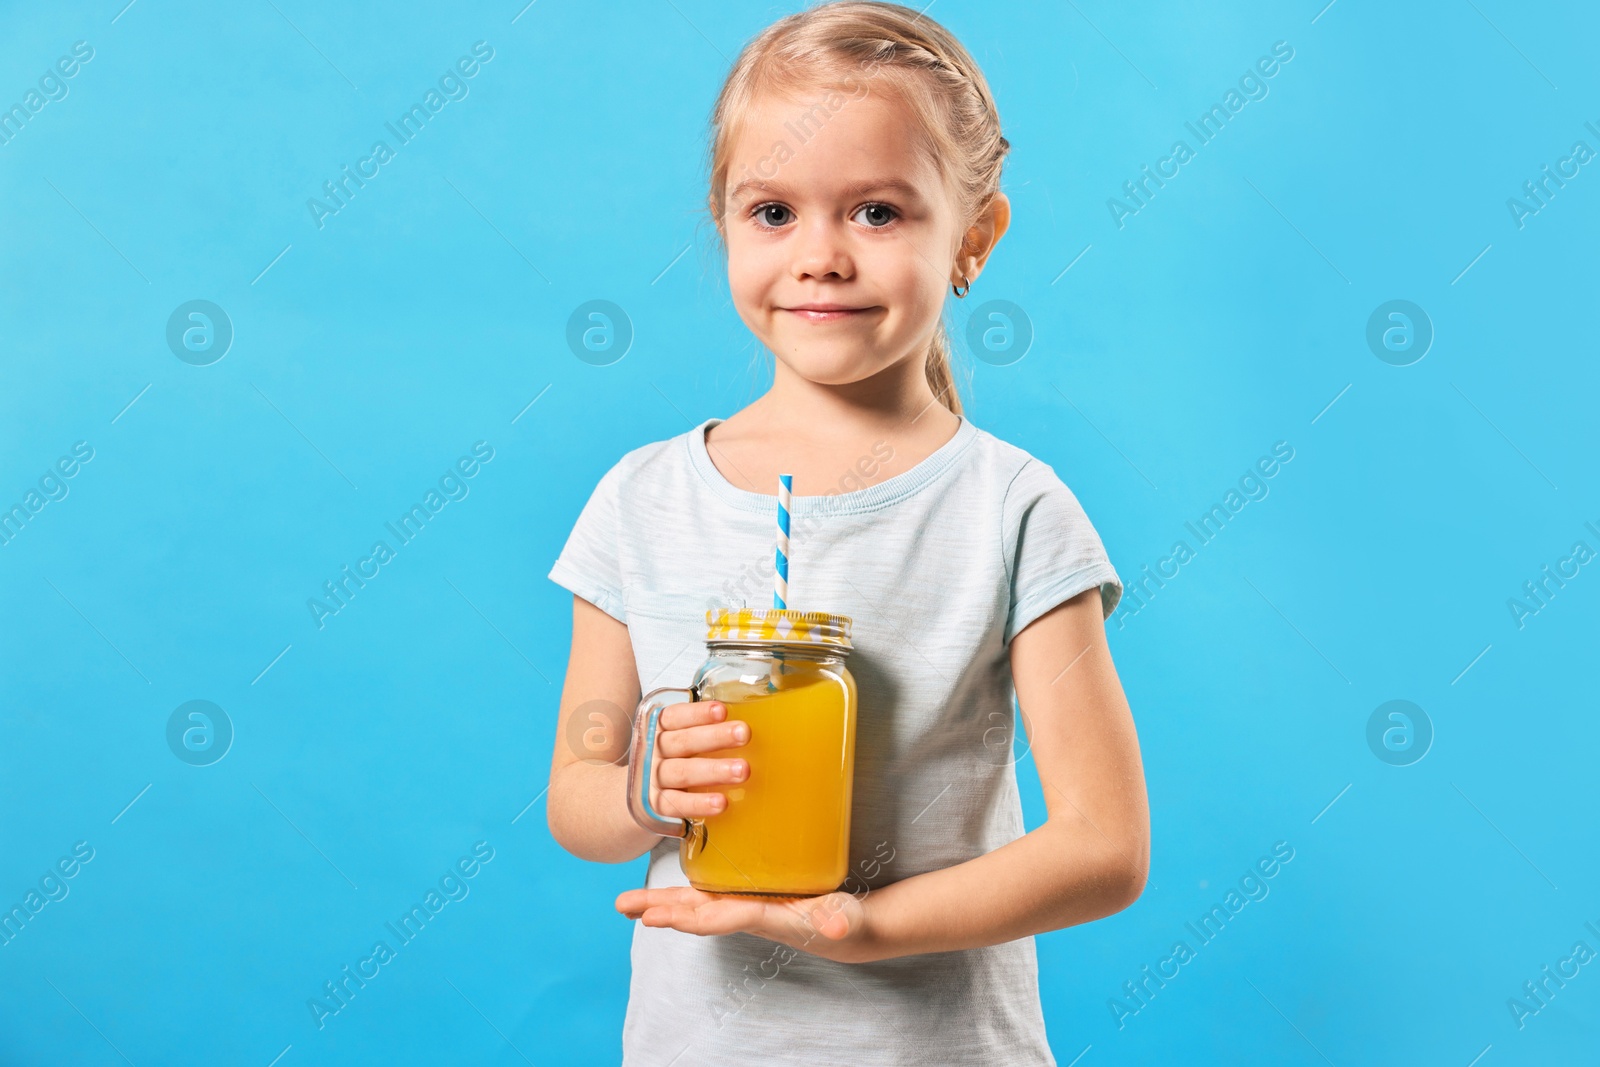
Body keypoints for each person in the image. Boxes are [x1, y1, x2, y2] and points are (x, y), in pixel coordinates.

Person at [545, 3, 1149, 1063]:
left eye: (876, 212)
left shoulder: (1011, 510)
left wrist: (863, 927)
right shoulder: (639, 503)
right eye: (772, 211)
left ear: (973, 235)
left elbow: (1105, 846)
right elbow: (578, 797)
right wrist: (644, 789)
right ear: (723, 223)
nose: (818, 256)